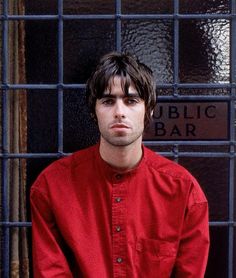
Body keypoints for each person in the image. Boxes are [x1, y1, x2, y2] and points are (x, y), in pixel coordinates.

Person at [30, 52, 210, 277]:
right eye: (107, 101)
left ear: (149, 110)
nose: (119, 112)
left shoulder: (184, 192)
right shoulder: (52, 186)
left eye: (131, 100)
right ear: (94, 111)